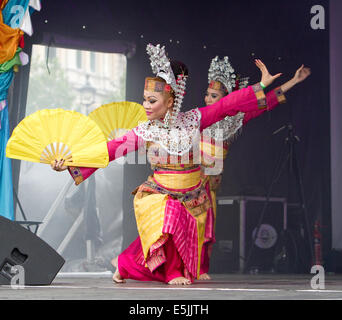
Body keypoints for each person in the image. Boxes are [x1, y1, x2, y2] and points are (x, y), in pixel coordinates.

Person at [52, 44, 311, 285]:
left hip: (194, 191)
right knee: (171, 216)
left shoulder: (193, 120)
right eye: (145, 100)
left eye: (151, 101)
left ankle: (125, 264)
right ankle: (172, 273)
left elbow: (228, 105)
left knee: (178, 237)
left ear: (170, 101)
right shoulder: (146, 131)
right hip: (159, 192)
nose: (145, 105)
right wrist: (72, 162)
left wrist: (262, 85)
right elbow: (110, 149)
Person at [198, 57, 309, 280]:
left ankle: (198, 268)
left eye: (214, 96)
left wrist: (294, 82)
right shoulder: (199, 116)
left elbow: (268, 101)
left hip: (210, 183)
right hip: (190, 178)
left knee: (206, 226)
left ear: (226, 99)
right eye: (207, 95)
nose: (207, 99)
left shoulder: (236, 119)